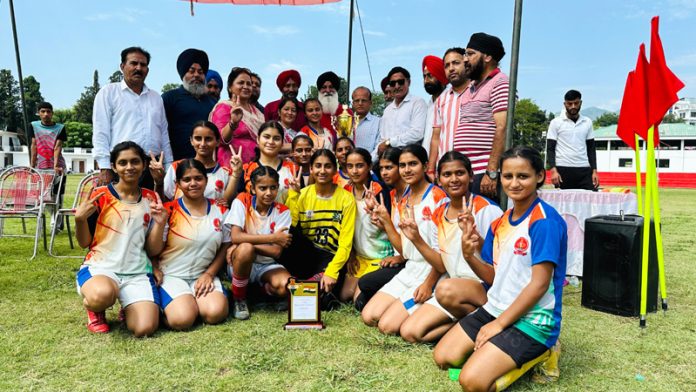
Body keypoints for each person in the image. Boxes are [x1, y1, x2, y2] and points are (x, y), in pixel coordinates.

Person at [433, 146, 567, 392]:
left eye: (522, 176)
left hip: (533, 320)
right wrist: (469, 254)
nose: (514, 183)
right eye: (508, 176)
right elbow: (493, 276)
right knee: (443, 357)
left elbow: (539, 285)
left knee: (472, 382)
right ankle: (498, 348)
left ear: (539, 176)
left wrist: (499, 325)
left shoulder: (544, 222)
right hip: (496, 307)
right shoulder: (501, 222)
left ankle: (545, 351)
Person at [399, 151, 502, 344]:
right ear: (439, 179)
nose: (454, 179)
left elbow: (500, 262)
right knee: (409, 332)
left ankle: (481, 321)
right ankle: (463, 327)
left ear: (471, 176)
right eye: (447, 175)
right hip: (454, 288)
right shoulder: (440, 213)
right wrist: (416, 239)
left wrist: (475, 237)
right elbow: (441, 263)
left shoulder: (487, 209)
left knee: (445, 289)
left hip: (483, 287)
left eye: (460, 173)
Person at [74, 141, 165, 336]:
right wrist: (80, 220)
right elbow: (84, 243)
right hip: (102, 268)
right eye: (123, 163)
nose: (129, 167)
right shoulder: (100, 195)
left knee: (145, 328)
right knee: (102, 295)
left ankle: (128, 304)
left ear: (143, 165)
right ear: (114, 167)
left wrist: (160, 224)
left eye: (135, 162)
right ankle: (95, 310)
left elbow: (153, 249)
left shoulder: (151, 198)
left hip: (137, 273)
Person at [361, 144, 448, 335]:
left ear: (425, 166)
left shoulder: (438, 198)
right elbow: (403, 249)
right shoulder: (403, 199)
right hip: (411, 268)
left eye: (413, 164)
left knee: (387, 326)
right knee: (369, 316)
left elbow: (443, 255)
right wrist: (385, 220)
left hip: (431, 271)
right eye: (402, 165)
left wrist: (427, 284)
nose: (407, 170)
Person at [153, 159, 230, 330]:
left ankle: (200, 300)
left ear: (206, 180)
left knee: (215, 313)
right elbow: (151, 248)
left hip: (202, 275)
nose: (193, 183)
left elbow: (226, 245)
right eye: (187, 180)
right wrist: (153, 267)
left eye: (198, 178)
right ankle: (166, 306)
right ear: (178, 184)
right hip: (171, 275)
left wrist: (209, 274)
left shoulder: (221, 209)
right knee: (183, 320)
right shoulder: (169, 210)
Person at [92, 46, 173, 188]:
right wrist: (105, 167)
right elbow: (100, 132)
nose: (139, 68)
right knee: (123, 209)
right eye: (134, 63)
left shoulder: (156, 98)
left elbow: (164, 133)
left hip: (152, 167)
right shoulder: (108, 93)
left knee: (151, 208)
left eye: (143, 65)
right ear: (122, 66)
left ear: (147, 70)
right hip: (123, 166)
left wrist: (169, 166)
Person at [283, 149, 356, 298]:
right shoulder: (302, 194)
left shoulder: (346, 199)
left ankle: (305, 286)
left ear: (335, 170)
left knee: (324, 298)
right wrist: (293, 195)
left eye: (328, 166)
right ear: (311, 169)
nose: (322, 171)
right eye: (318, 166)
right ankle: (299, 284)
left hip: (330, 255)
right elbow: (290, 227)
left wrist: (332, 271)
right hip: (306, 254)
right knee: (289, 234)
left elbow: (345, 244)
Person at [225, 166, 293, 320]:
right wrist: (272, 238)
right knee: (245, 250)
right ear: (253, 189)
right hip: (239, 262)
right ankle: (239, 299)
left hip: (267, 265)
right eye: (263, 188)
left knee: (286, 287)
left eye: (273, 188)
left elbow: (276, 252)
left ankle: (253, 292)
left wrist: (246, 243)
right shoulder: (242, 200)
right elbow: (235, 236)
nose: (269, 193)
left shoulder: (283, 211)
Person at [455, 33, 509, 201]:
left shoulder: (499, 82)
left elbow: (502, 127)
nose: (465, 59)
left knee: (484, 223)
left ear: (487, 57)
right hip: (467, 172)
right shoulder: (471, 87)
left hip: (483, 172)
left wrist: (491, 172)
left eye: (470, 54)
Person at [354, 147, 408, 310]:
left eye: (389, 167)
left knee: (364, 287)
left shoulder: (411, 195)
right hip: (399, 256)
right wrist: (382, 224)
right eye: (382, 168)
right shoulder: (392, 195)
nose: (384, 173)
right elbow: (393, 232)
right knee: (358, 298)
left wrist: (401, 257)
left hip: (410, 260)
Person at [340, 148, 393, 302]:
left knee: (359, 299)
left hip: (380, 255)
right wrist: (350, 255)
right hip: (360, 256)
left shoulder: (379, 191)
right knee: (345, 296)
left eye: (360, 166)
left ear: (369, 166)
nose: (354, 171)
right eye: (350, 166)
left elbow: (390, 226)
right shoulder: (345, 191)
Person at [162, 121, 242, 206]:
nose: (203, 144)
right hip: (179, 217)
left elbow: (226, 204)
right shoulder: (177, 167)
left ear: (218, 141)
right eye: (198, 138)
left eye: (208, 139)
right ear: (191, 141)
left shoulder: (226, 173)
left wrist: (236, 174)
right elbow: (164, 199)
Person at [162, 48, 217, 160]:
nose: (196, 75)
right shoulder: (169, 98)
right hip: (178, 164)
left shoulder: (213, 103)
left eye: (200, 72)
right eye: (191, 71)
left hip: (208, 164)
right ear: (183, 74)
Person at [210, 67, 265, 165]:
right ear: (230, 87)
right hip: (232, 165)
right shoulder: (223, 107)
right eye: (241, 83)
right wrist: (233, 123)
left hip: (256, 167)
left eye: (249, 84)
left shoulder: (258, 112)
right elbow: (220, 139)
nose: (246, 86)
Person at [547, 89, 599, 190]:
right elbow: (550, 148)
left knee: (590, 201)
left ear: (581, 103)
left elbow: (591, 148)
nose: (573, 106)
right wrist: (553, 170)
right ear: (564, 104)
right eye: (569, 104)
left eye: (576, 103)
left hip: (584, 168)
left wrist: (594, 171)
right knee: (564, 204)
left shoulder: (587, 122)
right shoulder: (556, 122)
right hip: (563, 169)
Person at [428, 47, 470, 172]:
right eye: (447, 65)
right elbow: (436, 138)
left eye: (456, 63)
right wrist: (431, 169)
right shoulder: (441, 100)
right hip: (445, 169)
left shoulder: (478, 91)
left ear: (466, 63)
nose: (451, 68)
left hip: (473, 169)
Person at [28, 101, 67, 227]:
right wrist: (32, 165)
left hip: (58, 166)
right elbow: (33, 145)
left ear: (52, 113)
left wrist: (56, 166)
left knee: (57, 195)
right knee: (43, 195)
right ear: (38, 113)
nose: (45, 114)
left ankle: (57, 221)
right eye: (42, 111)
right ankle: (45, 218)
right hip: (41, 167)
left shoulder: (60, 128)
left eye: (48, 111)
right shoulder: (33, 126)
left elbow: (57, 147)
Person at [374, 67, 427, 158]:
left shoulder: (418, 103)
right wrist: (369, 161)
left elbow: (417, 133)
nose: (397, 86)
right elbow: (382, 142)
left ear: (409, 82)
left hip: (409, 160)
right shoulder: (387, 110)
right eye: (393, 83)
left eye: (400, 82)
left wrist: (390, 142)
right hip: (388, 162)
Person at [241, 121, 298, 204]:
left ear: (282, 143)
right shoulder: (246, 169)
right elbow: (240, 200)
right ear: (258, 139)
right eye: (266, 137)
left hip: (288, 216)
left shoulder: (293, 169)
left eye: (276, 138)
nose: (271, 142)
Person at [421, 55, 447, 156]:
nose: (426, 80)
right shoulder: (428, 105)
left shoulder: (450, 100)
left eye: (430, 76)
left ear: (441, 76)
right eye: (424, 76)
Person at [316, 71, 351, 139]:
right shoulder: (313, 113)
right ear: (319, 90)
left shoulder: (346, 112)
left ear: (336, 90)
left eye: (331, 87)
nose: (328, 90)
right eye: (324, 87)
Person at [351, 86, 381, 157]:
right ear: (353, 103)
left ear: (370, 103)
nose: (360, 103)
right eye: (357, 100)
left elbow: (378, 148)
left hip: (370, 165)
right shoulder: (347, 122)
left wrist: (367, 163)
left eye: (363, 100)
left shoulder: (378, 122)